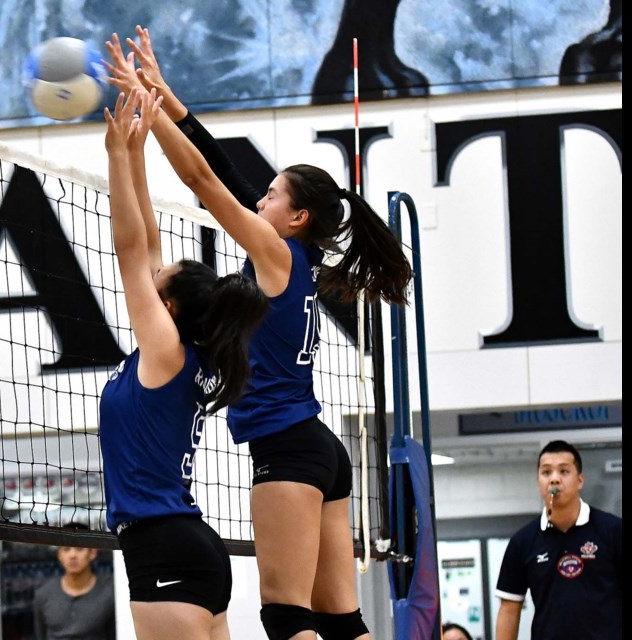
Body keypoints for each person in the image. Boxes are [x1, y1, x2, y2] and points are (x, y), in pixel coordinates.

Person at [106, 26, 413, 640]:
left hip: (289, 451)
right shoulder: (283, 260)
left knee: (286, 616)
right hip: (320, 448)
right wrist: (167, 101)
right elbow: (221, 168)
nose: (261, 198)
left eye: (272, 196)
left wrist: (149, 115)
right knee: (342, 618)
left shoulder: (274, 257)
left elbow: (203, 183)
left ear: (296, 218)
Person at [99, 87, 268, 640]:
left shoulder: (167, 354)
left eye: (159, 281)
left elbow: (129, 251)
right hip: (190, 548)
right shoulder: (176, 355)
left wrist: (116, 158)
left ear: (166, 307)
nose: (152, 272)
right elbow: (145, 242)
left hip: (162, 548)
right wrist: (136, 151)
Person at [494, 440, 622, 640]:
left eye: (564, 471)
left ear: (580, 480)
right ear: (538, 481)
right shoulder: (523, 541)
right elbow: (509, 608)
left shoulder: (613, 530)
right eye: (546, 472)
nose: (554, 479)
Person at [32, 524, 115, 640]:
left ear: (92, 553)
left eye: (80, 548)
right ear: (59, 554)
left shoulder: (111, 593)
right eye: (66, 549)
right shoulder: (43, 594)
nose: (72, 555)